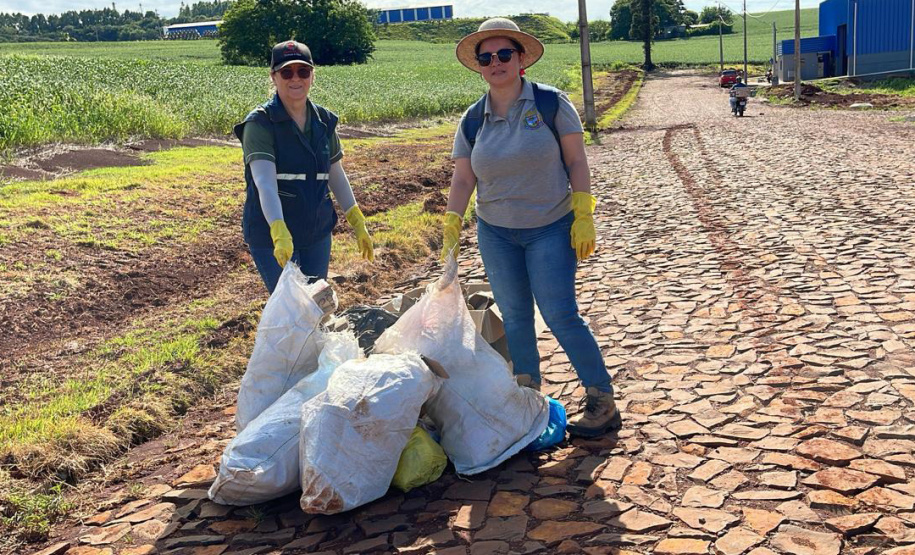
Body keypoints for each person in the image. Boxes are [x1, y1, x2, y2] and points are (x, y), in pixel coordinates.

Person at [441, 18, 622, 438]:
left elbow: (576, 160)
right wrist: (452, 222)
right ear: (479, 66)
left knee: (560, 314)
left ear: (521, 59)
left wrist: (583, 212)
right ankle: (527, 400)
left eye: (505, 54)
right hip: (496, 232)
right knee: (517, 318)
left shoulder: (550, 104)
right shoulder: (473, 120)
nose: (496, 62)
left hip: (550, 228)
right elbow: (464, 178)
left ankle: (601, 398)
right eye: (487, 57)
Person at [235, 40, 374, 293]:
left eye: (303, 71)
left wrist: (356, 219)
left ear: (312, 75)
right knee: (291, 311)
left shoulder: (324, 121)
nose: (295, 79)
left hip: (316, 232)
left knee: (315, 307)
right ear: (274, 77)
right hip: (273, 236)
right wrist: (278, 229)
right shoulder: (260, 124)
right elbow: (265, 183)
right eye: (286, 72)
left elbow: (335, 174)